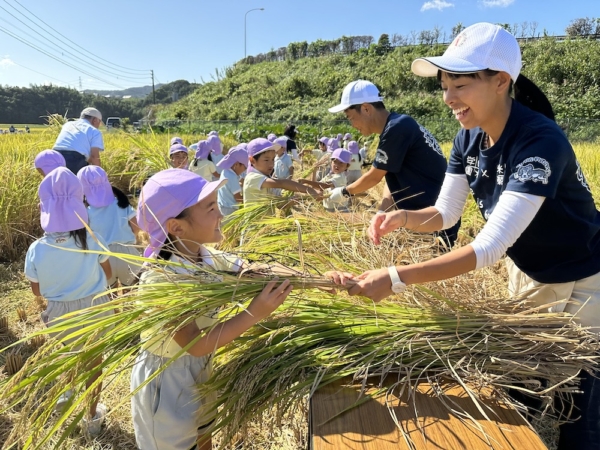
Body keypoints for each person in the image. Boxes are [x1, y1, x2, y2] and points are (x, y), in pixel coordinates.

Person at [333, 22, 600, 450]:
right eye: (443, 85)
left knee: (579, 393)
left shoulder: (539, 142)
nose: (448, 98)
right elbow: (444, 213)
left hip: (585, 273)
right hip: (529, 268)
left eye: (459, 84)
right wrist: (401, 218)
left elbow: (489, 246)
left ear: (500, 82)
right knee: (522, 381)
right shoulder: (467, 139)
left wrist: (396, 278)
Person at [131, 168, 293, 450]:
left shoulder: (207, 257)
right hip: (167, 382)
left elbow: (255, 270)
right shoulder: (162, 279)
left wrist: (321, 279)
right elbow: (196, 344)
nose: (221, 214)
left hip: (201, 372)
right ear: (176, 226)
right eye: (210, 208)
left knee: (204, 432)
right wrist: (256, 312)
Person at [24, 167, 112, 435]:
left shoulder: (37, 248)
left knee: (68, 355)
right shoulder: (90, 239)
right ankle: (92, 416)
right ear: (79, 203)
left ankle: (66, 396)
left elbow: (36, 291)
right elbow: (107, 274)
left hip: (59, 315)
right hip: (93, 308)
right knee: (94, 363)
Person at [327, 80, 460, 248]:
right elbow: (390, 176)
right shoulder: (397, 126)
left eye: (351, 118)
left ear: (366, 109)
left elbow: (374, 177)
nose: (353, 125)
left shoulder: (397, 128)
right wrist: (382, 211)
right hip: (420, 220)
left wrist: (344, 192)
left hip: (432, 222)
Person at [77, 166, 141, 290]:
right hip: (128, 254)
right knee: (130, 295)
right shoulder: (121, 203)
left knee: (109, 295)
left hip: (102, 257)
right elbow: (137, 226)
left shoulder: (86, 212)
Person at [243, 138, 319, 209]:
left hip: (268, 222)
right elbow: (281, 183)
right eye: (266, 160)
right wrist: (309, 190)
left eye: (273, 159)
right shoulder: (252, 177)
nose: (271, 164)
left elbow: (278, 205)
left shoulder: (267, 178)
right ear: (252, 161)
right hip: (255, 223)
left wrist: (290, 201)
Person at [53, 107, 104, 174]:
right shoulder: (94, 131)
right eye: (99, 123)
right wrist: (99, 175)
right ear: (94, 120)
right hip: (74, 160)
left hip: (55, 157)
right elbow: (94, 157)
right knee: (78, 183)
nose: (98, 126)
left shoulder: (67, 124)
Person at [301, 148, 352, 212]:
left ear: (347, 166)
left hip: (340, 210)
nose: (337, 165)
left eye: (341, 163)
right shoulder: (330, 175)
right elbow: (315, 186)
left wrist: (305, 181)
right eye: (335, 161)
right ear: (331, 162)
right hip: (329, 210)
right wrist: (314, 171)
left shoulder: (341, 177)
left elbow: (324, 186)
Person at [216, 146, 248, 217]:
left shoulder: (226, 171)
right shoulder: (232, 176)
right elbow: (238, 198)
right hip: (229, 210)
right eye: (245, 167)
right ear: (236, 164)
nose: (244, 170)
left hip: (222, 206)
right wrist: (250, 200)